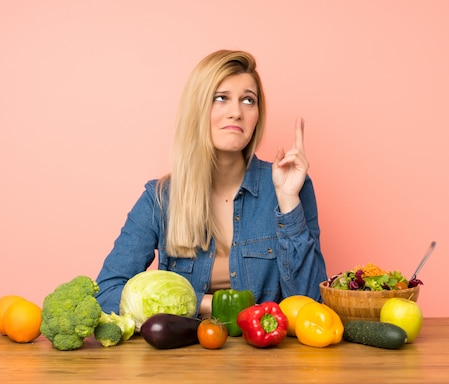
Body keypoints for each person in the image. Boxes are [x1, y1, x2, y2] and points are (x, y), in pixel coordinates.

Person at [95, 49, 327, 318]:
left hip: (266, 356)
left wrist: (288, 200)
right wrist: (209, 305)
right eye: (221, 98)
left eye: (248, 100)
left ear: (257, 115)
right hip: (185, 355)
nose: (236, 113)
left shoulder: (290, 186)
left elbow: (311, 302)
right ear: (198, 108)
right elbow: (107, 293)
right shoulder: (160, 199)